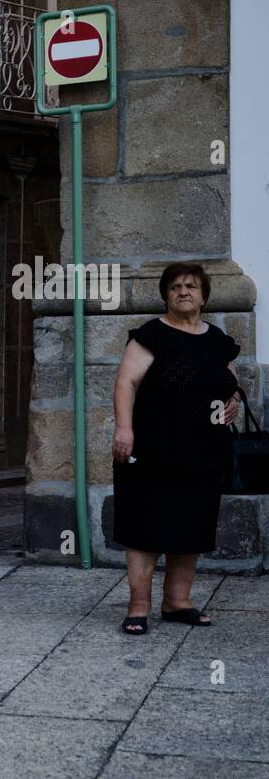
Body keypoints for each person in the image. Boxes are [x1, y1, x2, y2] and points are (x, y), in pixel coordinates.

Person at [112, 263, 241, 635]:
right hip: (151, 447)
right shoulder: (152, 335)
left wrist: (231, 398)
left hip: (203, 450)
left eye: (191, 286)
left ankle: (177, 603)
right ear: (166, 296)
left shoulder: (217, 340)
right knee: (144, 526)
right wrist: (124, 428)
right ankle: (138, 607)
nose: (184, 291)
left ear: (204, 296)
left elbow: (227, 380)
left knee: (192, 524)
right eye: (175, 287)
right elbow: (126, 383)